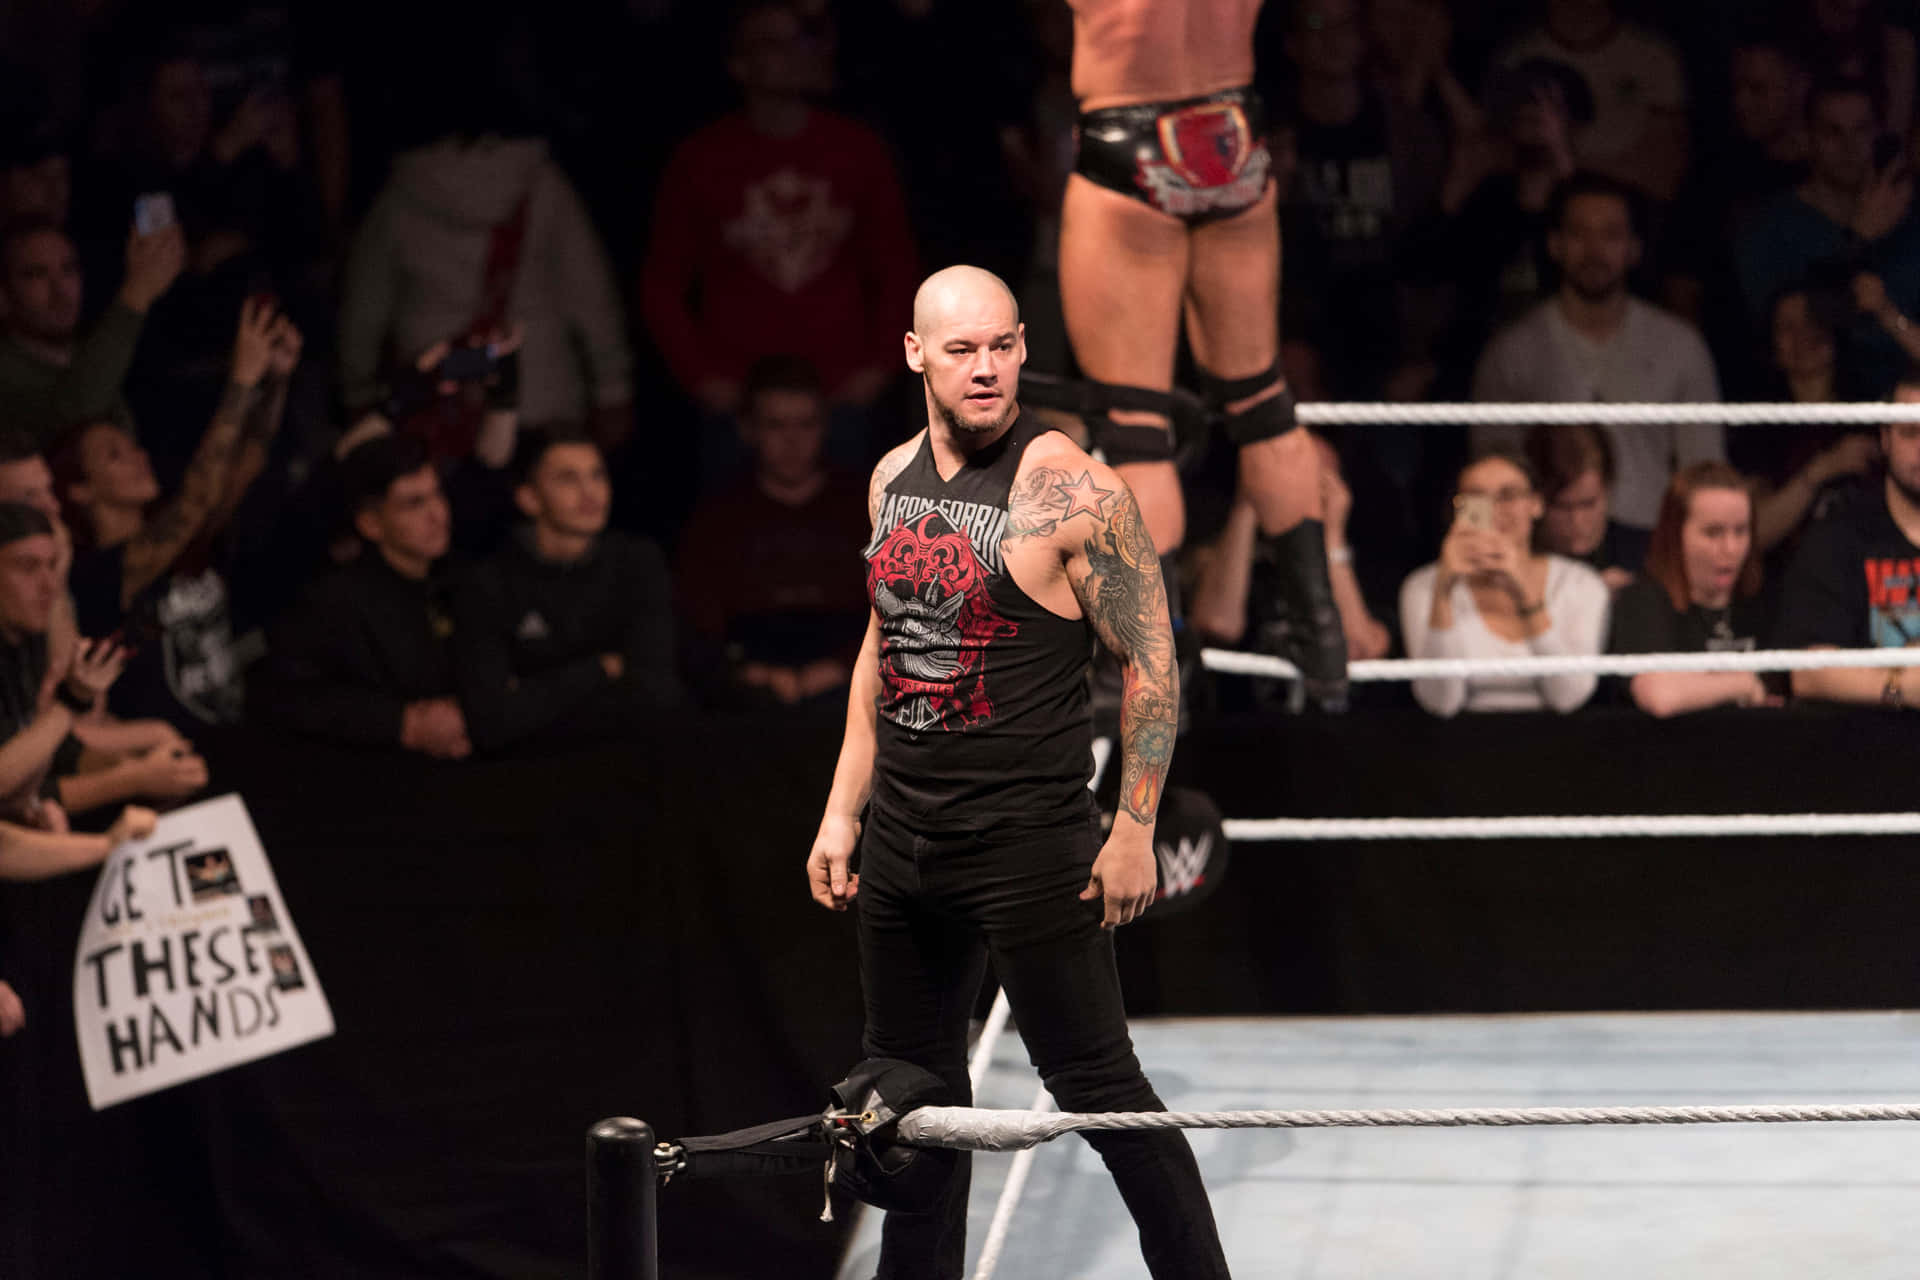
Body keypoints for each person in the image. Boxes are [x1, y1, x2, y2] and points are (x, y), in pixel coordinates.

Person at [807, 266, 1228, 1279]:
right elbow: (884, 645)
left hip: (1029, 846)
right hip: (905, 844)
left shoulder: (1072, 487)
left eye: (1001, 345)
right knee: (908, 1107)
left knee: (1103, 1090)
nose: (986, 367)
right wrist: (839, 813)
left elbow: (1154, 661)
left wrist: (1131, 826)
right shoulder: (888, 477)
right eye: (961, 349)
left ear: (1025, 345)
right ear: (916, 355)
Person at [1055, 0, 1347, 709]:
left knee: (1137, 427)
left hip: (1131, 127)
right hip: (1231, 133)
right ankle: (1323, 641)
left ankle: (1151, 674)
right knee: (1261, 404)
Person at [640, 0, 918, 474]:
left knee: (847, 533)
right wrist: (702, 377)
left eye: (800, 40)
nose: (794, 54)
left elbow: (896, 267)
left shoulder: (856, 150)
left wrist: (879, 366)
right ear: (738, 64)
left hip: (839, 395)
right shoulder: (703, 158)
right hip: (739, 399)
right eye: (773, 43)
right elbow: (662, 281)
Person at [57, 297, 300, 729]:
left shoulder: (178, 536)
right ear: (80, 490)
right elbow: (196, 501)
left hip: (235, 732)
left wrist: (275, 382)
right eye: (114, 456)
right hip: (165, 757)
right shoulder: (99, 574)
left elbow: (249, 461)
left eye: (131, 444)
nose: (137, 456)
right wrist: (241, 382)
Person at [1472, 173, 1725, 534]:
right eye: (1579, 234)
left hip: (1651, 547)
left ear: (1634, 249)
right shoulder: (1510, 353)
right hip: (1547, 552)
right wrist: (1475, 556)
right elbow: (1486, 477)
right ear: (1555, 244)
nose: (1594, 251)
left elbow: (1706, 476)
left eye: (1610, 235)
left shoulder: (1682, 347)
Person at [451, 428, 684, 752]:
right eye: (567, 479)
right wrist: (601, 668)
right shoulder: (488, 581)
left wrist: (529, 695)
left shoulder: (637, 561)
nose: (591, 493)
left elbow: (656, 694)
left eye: (597, 476)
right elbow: (489, 722)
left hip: (628, 763)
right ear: (528, 497)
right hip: (522, 778)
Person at [256, 433, 469, 757]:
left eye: (437, 494)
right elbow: (286, 699)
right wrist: (400, 722)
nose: (437, 514)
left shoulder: (462, 574)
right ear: (371, 524)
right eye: (414, 504)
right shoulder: (331, 602)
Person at [674, 356, 869, 707]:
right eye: (775, 426)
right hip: (745, 683)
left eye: (806, 424)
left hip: (852, 679)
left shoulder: (865, 509)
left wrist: (840, 667)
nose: (792, 441)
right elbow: (695, 628)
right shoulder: (716, 518)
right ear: (748, 430)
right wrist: (748, 673)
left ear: (824, 427)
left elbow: (902, 618)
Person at [1732, 78, 1920, 399]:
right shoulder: (1768, 230)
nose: (1849, 147)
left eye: (1861, 130)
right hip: (1822, 410)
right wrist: (1859, 237)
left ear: (1879, 135)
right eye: (1833, 132)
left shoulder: (1913, 222)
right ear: (1807, 139)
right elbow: (1796, 333)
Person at [1399, 447, 1610, 716]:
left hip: (1558, 743)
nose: (1495, 510)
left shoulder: (1581, 584)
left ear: (1536, 504)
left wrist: (1526, 595)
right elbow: (1441, 703)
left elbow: (1568, 697)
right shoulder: (1423, 586)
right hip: (1456, 745)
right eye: (1477, 498)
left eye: (1508, 495)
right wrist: (1444, 591)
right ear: (1458, 508)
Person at [1187, 433, 1391, 681]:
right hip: (1246, 713)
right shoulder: (1234, 547)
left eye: (1321, 480)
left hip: (1333, 715)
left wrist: (1331, 538)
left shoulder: (1359, 556)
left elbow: (1362, 647)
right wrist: (1249, 499)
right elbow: (1216, 625)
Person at [1778, 369, 1920, 705]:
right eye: (1911, 432)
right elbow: (1807, 673)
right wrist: (1900, 687)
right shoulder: (1838, 536)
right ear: (1885, 438)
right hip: (1870, 747)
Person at [0, 218, 183, 449]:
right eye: (36, 275)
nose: (61, 290)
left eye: (69, 269)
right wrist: (137, 292)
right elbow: (75, 417)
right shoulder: (7, 370)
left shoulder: (86, 351)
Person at [1611, 462, 1773, 716]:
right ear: (1675, 535)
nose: (1730, 548)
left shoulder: (1761, 599)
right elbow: (1659, 696)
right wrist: (1744, 683)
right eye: (1713, 533)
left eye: (1740, 531)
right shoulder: (1644, 601)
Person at [1488, 0, 1689, 203]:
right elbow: (1498, 156)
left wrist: (1569, 163)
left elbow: (1662, 173)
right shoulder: (1517, 55)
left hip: (1627, 212)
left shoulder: (1652, 56)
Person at [1524, 423, 1643, 590]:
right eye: (1561, 507)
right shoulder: (1515, 561)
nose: (1577, 521)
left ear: (1608, 490)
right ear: (1536, 499)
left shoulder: (1643, 558)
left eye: (1588, 504)